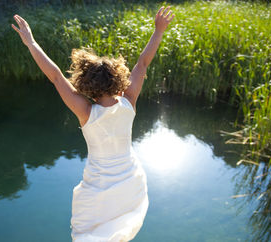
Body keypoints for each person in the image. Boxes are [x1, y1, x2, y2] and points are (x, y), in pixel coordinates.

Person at [12, 6, 175, 242]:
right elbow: (143, 64)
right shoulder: (129, 101)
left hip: (98, 185)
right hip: (129, 179)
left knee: (90, 235)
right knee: (119, 229)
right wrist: (159, 30)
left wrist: (32, 43)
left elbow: (56, 76)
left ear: (86, 87)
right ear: (119, 79)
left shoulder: (86, 112)